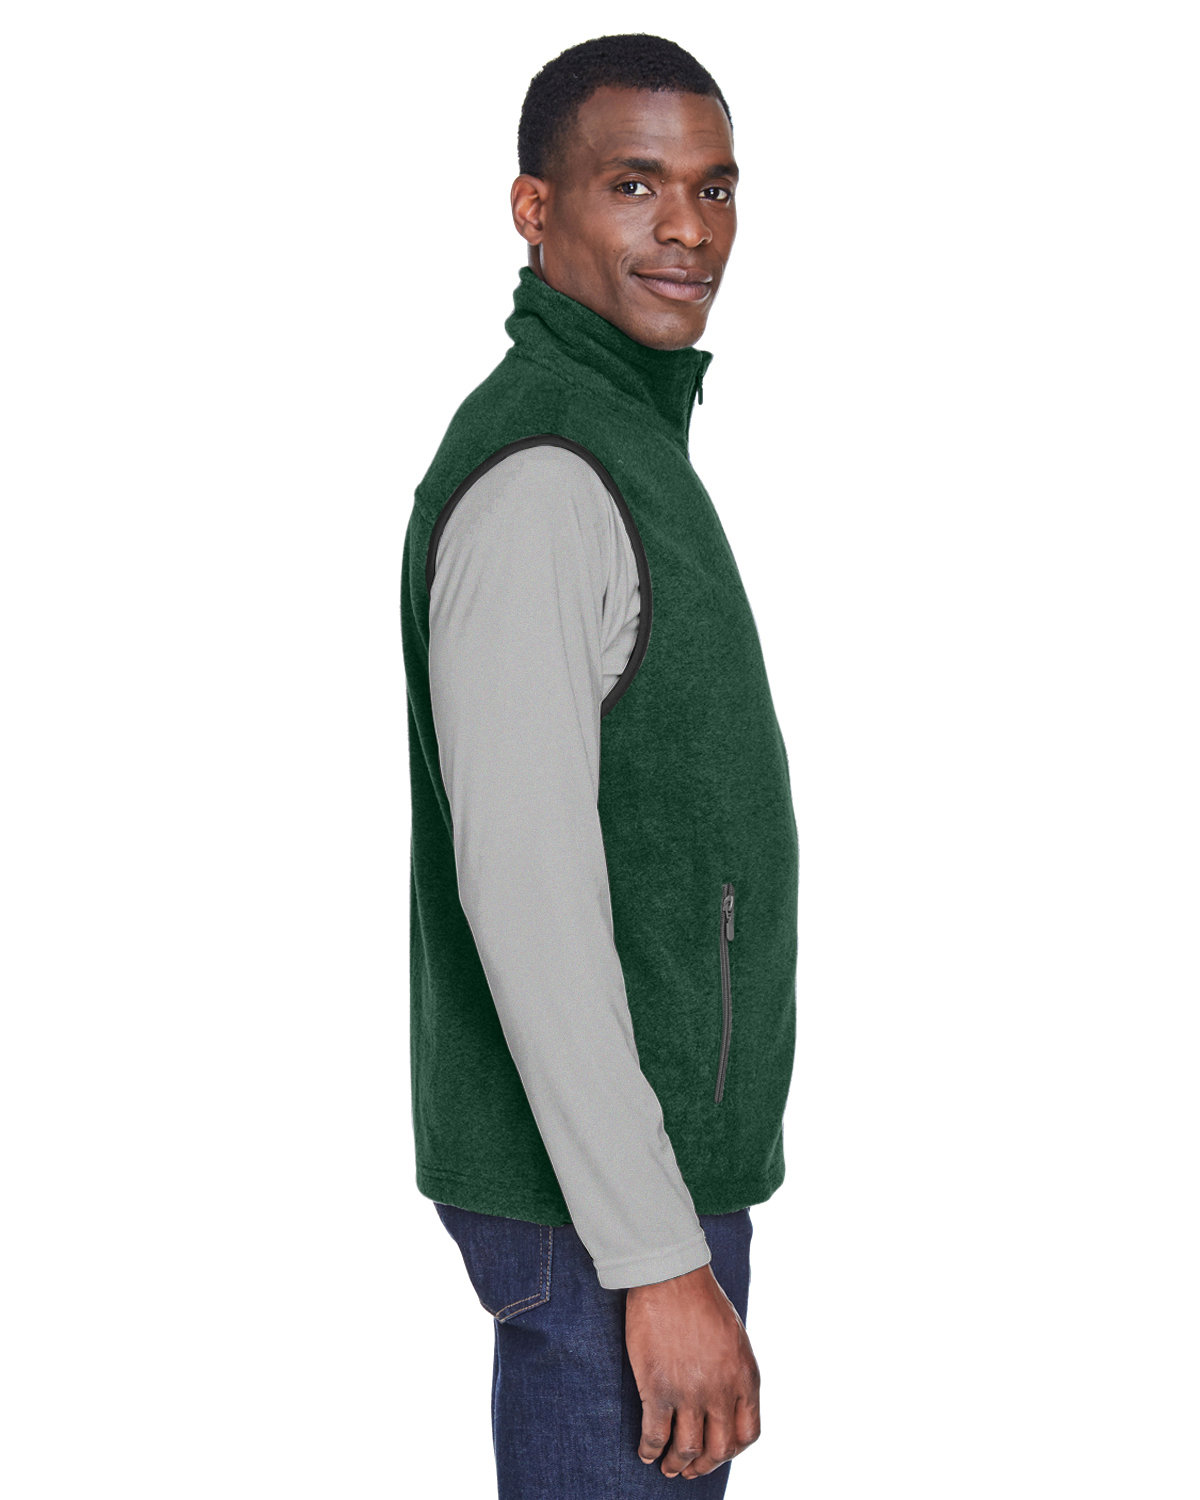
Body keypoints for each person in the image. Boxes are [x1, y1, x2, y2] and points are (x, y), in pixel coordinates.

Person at [399, 33, 799, 1496]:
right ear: (535, 208)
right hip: (606, 1220)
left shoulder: (621, 443)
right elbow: (530, 899)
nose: (687, 228)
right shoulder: (548, 479)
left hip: (631, 1199)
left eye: (713, 188)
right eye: (634, 185)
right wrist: (658, 1258)